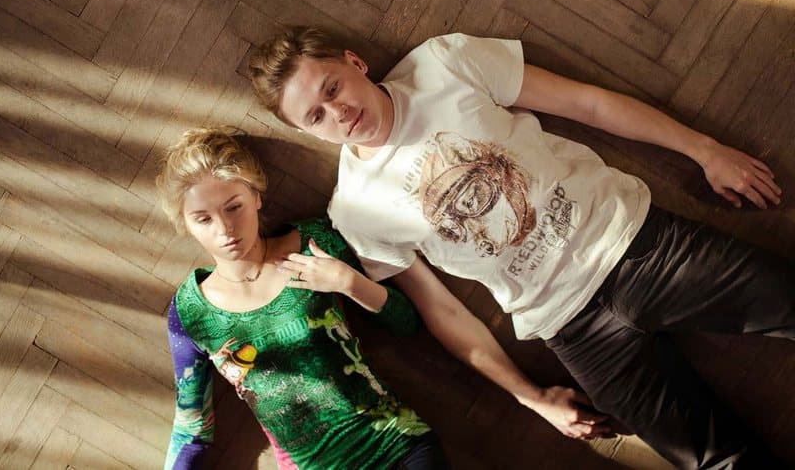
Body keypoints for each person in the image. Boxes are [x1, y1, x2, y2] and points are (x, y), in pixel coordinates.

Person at [247, 27, 794, 469]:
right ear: (309, 133)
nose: (337, 113)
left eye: (332, 89)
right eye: (315, 116)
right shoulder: (354, 212)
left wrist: (704, 150)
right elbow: (442, 310)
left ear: (354, 62)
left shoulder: (442, 63)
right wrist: (530, 397)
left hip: (639, 247)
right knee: (720, 462)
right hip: (572, 331)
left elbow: (588, 104)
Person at [157, 127, 449, 470]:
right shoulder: (190, 311)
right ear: (186, 223)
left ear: (256, 197)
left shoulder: (312, 244)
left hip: (396, 446)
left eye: (234, 207)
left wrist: (348, 282)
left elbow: (405, 323)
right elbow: (191, 429)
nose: (224, 229)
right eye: (203, 219)